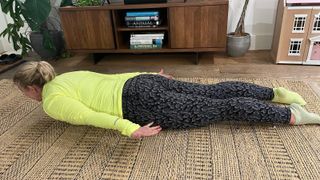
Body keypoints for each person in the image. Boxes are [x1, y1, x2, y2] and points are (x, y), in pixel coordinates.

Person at [13, 61, 320, 139]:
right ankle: (276, 94)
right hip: (142, 82)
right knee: (212, 92)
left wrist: (128, 128)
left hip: (140, 104)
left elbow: (86, 115)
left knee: (219, 108)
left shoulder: (51, 101)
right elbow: (110, 79)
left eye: (22, 92)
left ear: (30, 89)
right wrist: (152, 74)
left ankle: (291, 115)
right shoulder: (64, 77)